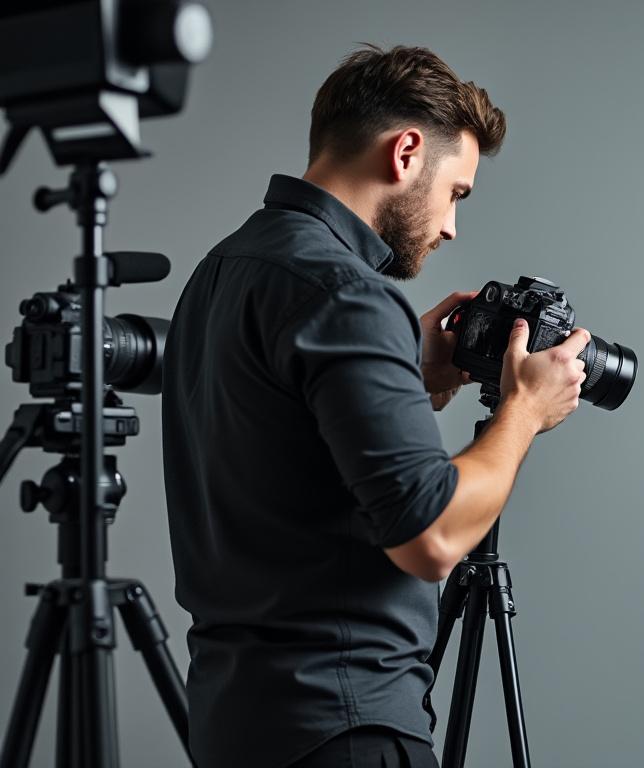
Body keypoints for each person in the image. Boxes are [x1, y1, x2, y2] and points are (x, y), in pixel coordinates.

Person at [161, 45, 589, 768]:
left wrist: (405, 376)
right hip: (343, 726)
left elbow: (274, 451)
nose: (452, 225)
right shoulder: (346, 290)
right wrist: (524, 410)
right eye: (457, 192)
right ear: (407, 152)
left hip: (235, 720)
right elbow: (430, 538)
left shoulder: (223, 269)